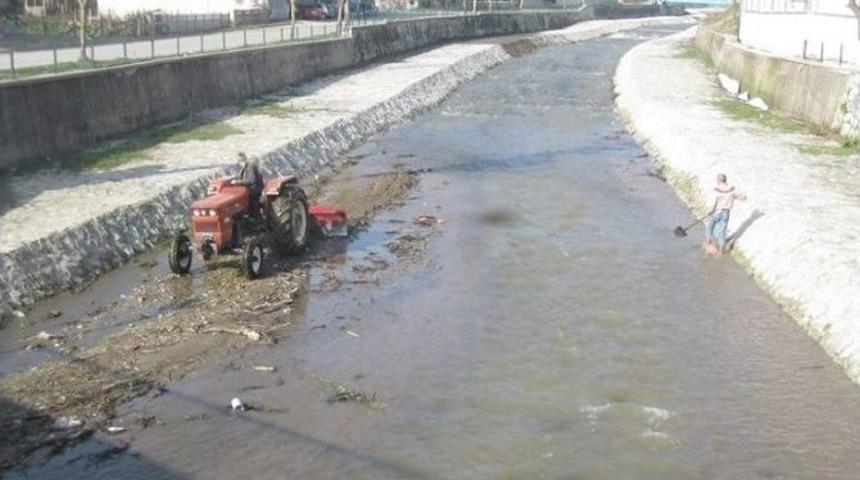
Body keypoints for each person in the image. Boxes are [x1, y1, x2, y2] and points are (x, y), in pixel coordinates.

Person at [703, 173, 746, 255]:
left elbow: (714, 201)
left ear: (718, 180)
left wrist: (710, 211)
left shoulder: (717, 189)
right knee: (722, 231)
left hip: (717, 211)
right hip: (726, 213)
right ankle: (721, 250)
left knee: (709, 227)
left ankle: (707, 243)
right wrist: (743, 197)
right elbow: (741, 196)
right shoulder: (731, 189)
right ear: (725, 180)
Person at [230, 152, 264, 217]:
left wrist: (237, 182)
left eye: (239, 162)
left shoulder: (250, 167)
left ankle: (255, 218)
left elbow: (251, 180)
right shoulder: (244, 169)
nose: (239, 164)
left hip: (254, 190)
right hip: (248, 189)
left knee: (250, 204)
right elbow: (240, 177)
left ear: (241, 161)